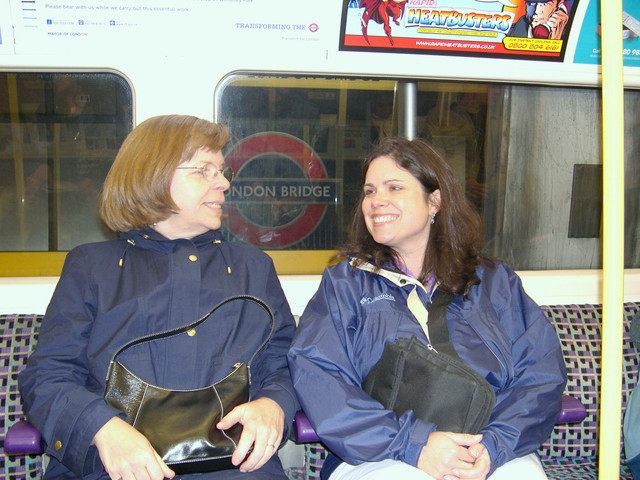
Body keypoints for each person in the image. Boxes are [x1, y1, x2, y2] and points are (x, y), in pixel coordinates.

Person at [19, 115, 299, 480]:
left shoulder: (253, 268)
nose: (224, 183)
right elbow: (47, 375)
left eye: (221, 170)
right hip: (111, 467)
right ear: (154, 175)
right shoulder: (91, 267)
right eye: (204, 171)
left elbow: (285, 364)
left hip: (233, 466)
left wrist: (273, 404)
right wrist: (103, 429)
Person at [287, 137, 567, 480]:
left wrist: (494, 445)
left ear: (434, 200)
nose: (377, 201)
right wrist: (414, 444)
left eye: (394, 187)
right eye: (370, 191)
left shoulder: (493, 283)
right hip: (380, 452)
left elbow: (540, 375)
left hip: (486, 446)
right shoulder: (346, 284)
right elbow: (320, 377)